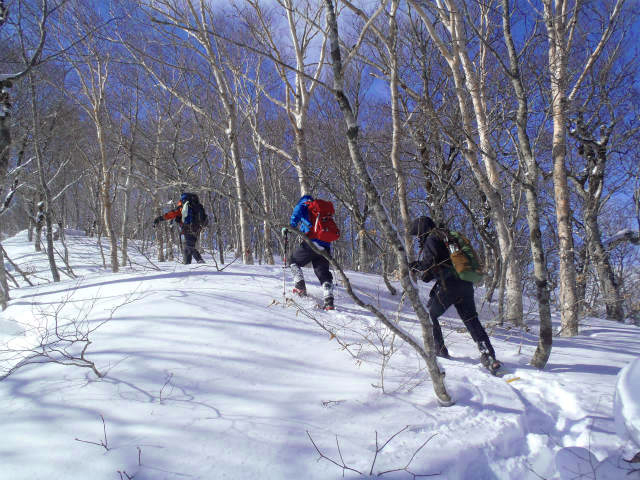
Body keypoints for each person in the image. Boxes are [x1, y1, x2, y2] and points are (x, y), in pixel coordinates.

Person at [409, 216, 501, 373]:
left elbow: (428, 265)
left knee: (430, 315)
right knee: (471, 319)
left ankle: (440, 352)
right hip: (465, 284)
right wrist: (425, 272)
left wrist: (414, 266)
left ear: (421, 230)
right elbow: (435, 267)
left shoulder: (432, 238)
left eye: (417, 234)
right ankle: (489, 356)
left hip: (448, 285)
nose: (417, 238)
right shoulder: (446, 237)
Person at [283, 194, 336, 310]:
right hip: (325, 247)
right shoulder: (321, 211)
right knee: (322, 272)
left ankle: (300, 286)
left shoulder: (303, 205)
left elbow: (295, 216)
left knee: (293, 260)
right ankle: (329, 299)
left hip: (310, 243)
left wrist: (288, 228)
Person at [153, 193, 206, 265]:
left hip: (187, 227)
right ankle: (187, 265)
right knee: (187, 247)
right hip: (197, 228)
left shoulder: (183, 206)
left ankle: (200, 260)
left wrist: (160, 218)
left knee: (189, 246)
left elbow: (171, 214)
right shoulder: (197, 206)